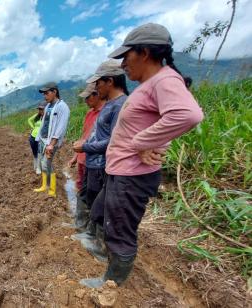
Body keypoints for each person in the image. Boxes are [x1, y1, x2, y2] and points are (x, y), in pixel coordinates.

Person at [80, 23, 204, 289]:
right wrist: (154, 140)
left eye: (126, 56)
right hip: (122, 171)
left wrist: (142, 141)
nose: (123, 64)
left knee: (120, 231)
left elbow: (188, 114)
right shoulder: (152, 84)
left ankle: (112, 284)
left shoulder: (164, 79)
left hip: (131, 174)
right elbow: (163, 119)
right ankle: (105, 257)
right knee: (102, 211)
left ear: (145, 52)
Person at [72, 60, 129, 263]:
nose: (96, 88)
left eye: (98, 84)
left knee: (101, 207)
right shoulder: (111, 105)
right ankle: (91, 237)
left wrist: (85, 147)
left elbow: (114, 140)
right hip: (94, 162)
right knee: (93, 202)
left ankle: (102, 249)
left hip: (104, 165)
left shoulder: (121, 105)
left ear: (109, 81)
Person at [67, 83, 105, 231]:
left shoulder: (105, 113)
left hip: (97, 163)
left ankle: (90, 227)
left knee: (93, 195)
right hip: (84, 159)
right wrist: (75, 157)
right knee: (82, 190)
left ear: (96, 95)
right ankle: (81, 223)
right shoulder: (90, 114)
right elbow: (84, 137)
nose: (85, 101)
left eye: (88, 97)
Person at [33, 82, 70, 198]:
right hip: (43, 140)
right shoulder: (48, 106)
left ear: (54, 92)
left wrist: (52, 144)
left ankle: (52, 189)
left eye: (47, 93)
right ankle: (44, 185)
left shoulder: (62, 107)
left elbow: (60, 127)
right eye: (44, 94)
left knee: (46, 164)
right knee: (43, 163)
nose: (45, 96)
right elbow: (44, 123)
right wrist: (39, 138)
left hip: (51, 142)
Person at [28, 102, 46, 174]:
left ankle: (39, 168)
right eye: (39, 109)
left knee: (40, 153)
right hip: (33, 136)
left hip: (41, 138)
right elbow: (29, 120)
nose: (40, 110)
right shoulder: (37, 116)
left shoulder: (47, 117)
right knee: (35, 152)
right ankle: (36, 165)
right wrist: (33, 127)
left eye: (41, 109)